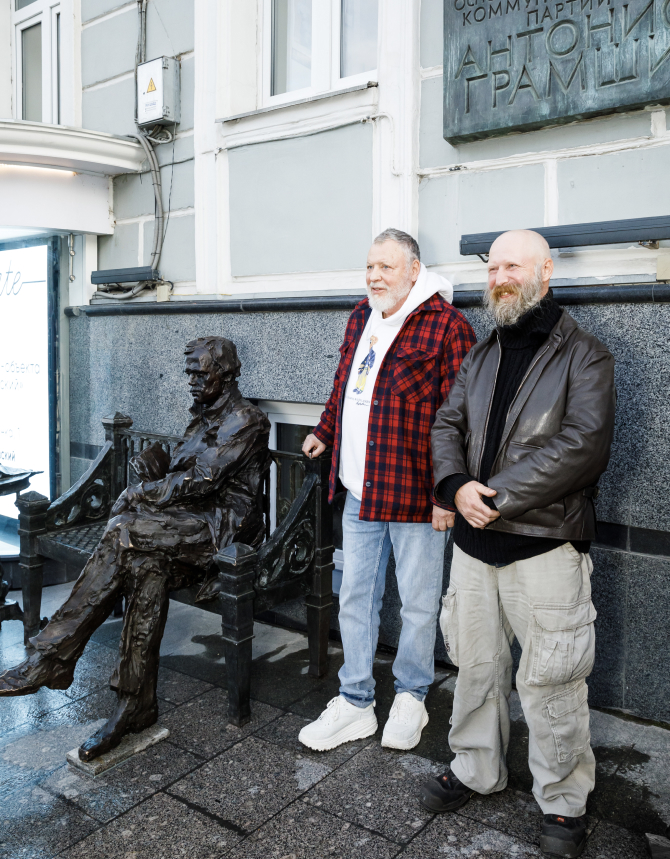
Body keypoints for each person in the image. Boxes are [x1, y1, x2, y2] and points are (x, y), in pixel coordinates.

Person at [420, 230, 615, 859]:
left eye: (513, 266)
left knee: (553, 679)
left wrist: (494, 497)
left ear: (545, 272)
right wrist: (454, 486)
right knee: (475, 667)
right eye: (493, 267)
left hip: (543, 545)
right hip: (474, 547)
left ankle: (562, 798)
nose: (500, 277)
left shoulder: (585, 354)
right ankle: (476, 767)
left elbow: (583, 445)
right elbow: (447, 423)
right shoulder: (482, 353)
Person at [0, 337, 270, 761]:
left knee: (123, 531)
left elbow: (203, 480)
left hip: (221, 530)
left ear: (226, 374)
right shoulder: (201, 416)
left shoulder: (246, 419)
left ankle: (51, 656)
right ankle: (135, 705)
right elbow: (184, 469)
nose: (191, 381)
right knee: (146, 567)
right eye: (189, 373)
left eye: (200, 373)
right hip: (183, 522)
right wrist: (156, 464)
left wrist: (140, 492)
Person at [299, 228, 476, 752]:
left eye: (387, 267)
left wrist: (447, 495)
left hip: (417, 498)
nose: (375, 277)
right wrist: (325, 430)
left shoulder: (448, 326)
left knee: (418, 604)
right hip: (360, 490)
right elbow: (345, 384)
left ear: (414, 271)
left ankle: (411, 696)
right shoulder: (362, 315)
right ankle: (355, 701)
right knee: (355, 597)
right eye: (370, 266)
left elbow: (461, 420)